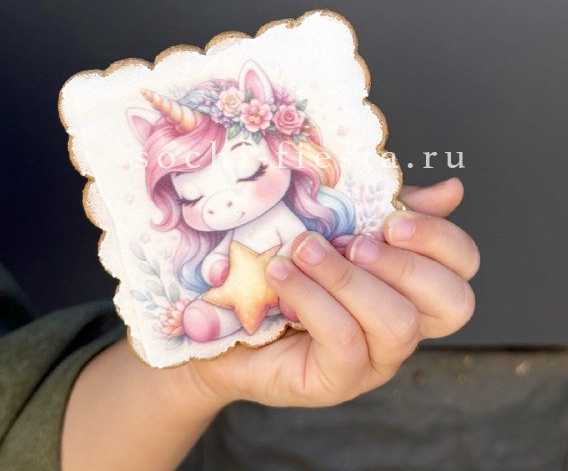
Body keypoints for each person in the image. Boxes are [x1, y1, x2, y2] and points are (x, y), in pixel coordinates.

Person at [0, 177, 479, 470]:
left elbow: (25, 434)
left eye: (252, 173)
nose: (225, 202)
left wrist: (196, 374)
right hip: (241, 284)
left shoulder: (293, 210)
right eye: (193, 195)